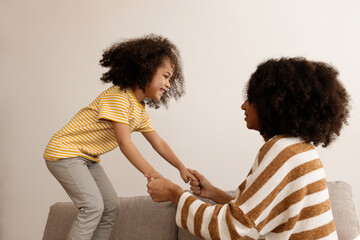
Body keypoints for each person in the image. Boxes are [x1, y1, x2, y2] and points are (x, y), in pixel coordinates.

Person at [147, 57, 350, 240]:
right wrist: (213, 192)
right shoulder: (301, 149)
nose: (243, 106)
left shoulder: (283, 152)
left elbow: (232, 228)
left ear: (271, 104)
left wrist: (174, 193)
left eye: (250, 98)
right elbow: (256, 217)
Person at [44, 34, 196, 240]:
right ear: (146, 70)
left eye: (170, 78)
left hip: (87, 158)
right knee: (92, 206)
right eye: (166, 76)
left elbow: (157, 142)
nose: (168, 84)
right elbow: (125, 143)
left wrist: (181, 167)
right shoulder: (119, 97)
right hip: (65, 153)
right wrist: (154, 175)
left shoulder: (139, 109)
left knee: (110, 207)